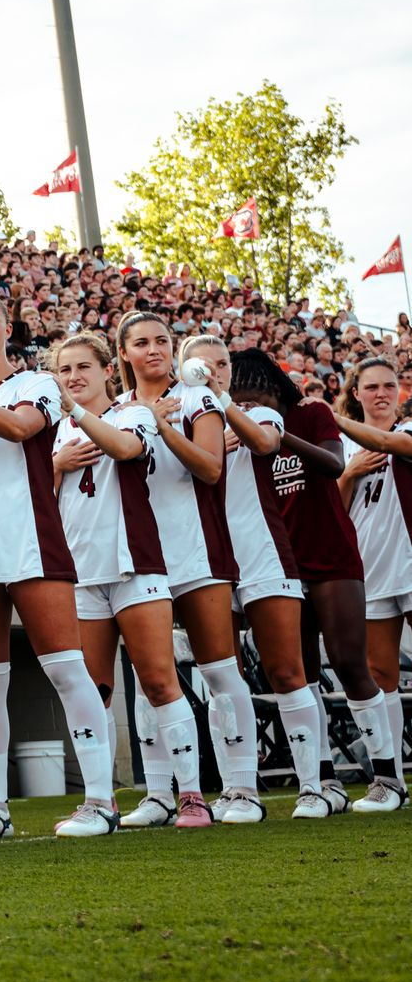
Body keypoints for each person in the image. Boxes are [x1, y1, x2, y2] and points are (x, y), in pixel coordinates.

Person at [0, 291, 115, 841]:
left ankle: (101, 800)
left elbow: (19, 429)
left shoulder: (34, 383)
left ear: (7, 326)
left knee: (66, 669)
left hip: (30, 542)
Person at [230, 349, 401, 812]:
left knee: (349, 664)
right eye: (237, 402)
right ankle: (324, 781)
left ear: (273, 390)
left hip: (332, 556)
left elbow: (332, 465)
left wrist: (282, 436)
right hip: (282, 563)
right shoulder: (234, 433)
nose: (246, 409)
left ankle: (388, 778)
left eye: (253, 398)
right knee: (298, 676)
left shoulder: (311, 413)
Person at [46, 331, 196, 837]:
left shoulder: (131, 412)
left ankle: (191, 796)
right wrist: (55, 462)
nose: (74, 378)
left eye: (83, 367)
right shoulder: (55, 432)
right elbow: (39, 498)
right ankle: (99, 801)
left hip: (134, 563)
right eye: (65, 370)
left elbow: (128, 449)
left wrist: (77, 414)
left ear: (108, 370)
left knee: (158, 680)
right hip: (81, 572)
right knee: (94, 690)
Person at [102, 312, 246, 829]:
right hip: (139, 555)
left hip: (197, 551)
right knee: (149, 679)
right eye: (140, 342)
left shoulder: (198, 399)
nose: (154, 349)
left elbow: (210, 468)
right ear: (123, 353)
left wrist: (158, 423)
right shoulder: (114, 409)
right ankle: (161, 792)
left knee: (219, 670)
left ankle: (240, 788)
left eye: (162, 340)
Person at [187, 335, 328, 816]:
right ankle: (238, 789)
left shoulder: (256, 412)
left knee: (287, 670)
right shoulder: (179, 418)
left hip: (263, 553)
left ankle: (314, 786)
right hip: (206, 558)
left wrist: (226, 408)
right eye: (201, 365)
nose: (213, 371)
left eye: (221, 364)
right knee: (222, 677)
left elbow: (266, 440)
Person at [330, 356, 412, 812]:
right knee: (380, 677)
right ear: (356, 392)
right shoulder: (341, 447)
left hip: (410, 561)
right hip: (370, 570)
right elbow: (334, 513)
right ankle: (391, 779)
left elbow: (388, 442)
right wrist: (349, 472)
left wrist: (332, 417)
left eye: (389, 385)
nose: (381, 393)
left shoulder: (407, 429)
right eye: (372, 387)